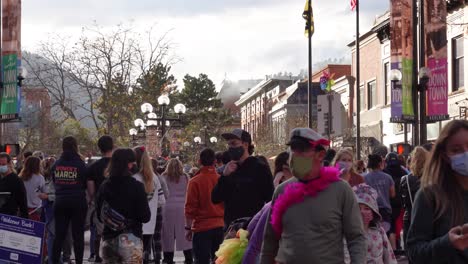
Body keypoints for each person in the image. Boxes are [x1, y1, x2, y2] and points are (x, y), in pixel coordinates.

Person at [260, 128, 366, 263]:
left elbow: (356, 237)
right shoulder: (281, 191)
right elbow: (270, 240)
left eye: (302, 150)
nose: (295, 155)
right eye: (293, 149)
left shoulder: (341, 190)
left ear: (320, 155)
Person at [407, 120, 468, 263]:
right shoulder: (430, 196)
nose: (465, 153)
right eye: (456, 150)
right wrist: (447, 242)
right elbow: (414, 252)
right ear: (445, 156)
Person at [96, 148, 151, 263]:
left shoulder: (104, 186)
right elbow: (145, 217)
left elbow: (99, 214)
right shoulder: (137, 187)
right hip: (131, 239)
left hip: (108, 239)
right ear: (129, 165)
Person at [212, 128, 274, 227]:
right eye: (229, 145)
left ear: (245, 144)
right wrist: (225, 176)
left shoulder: (260, 167)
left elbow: (270, 199)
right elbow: (215, 198)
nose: (230, 148)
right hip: (231, 228)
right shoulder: (229, 168)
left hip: (252, 227)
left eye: (234, 144)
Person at [51, 136, 90, 264]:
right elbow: (85, 183)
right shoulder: (80, 164)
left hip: (60, 201)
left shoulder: (56, 164)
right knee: (78, 235)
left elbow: (54, 181)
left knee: (59, 235)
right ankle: (79, 261)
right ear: (75, 146)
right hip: (78, 201)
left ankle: (55, 261)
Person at [185, 148, 225, 264]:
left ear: (199, 161)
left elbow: (190, 207)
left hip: (201, 227)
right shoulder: (221, 179)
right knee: (219, 260)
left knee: (201, 260)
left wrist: (188, 228)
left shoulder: (194, 181)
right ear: (214, 162)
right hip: (220, 225)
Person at [345, 184, 397, 264]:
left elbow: (389, 256)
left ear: (373, 212)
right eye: (358, 208)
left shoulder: (379, 231)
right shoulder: (347, 233)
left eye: (367, 208)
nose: (362, 212)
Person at [133, 146, 165, 264]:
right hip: (149, 223)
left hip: (134, 224)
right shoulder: (154, 177)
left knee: (135, 256)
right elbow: (162, 200)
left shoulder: (133, 178)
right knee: (145, 252)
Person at [86, 135, 114, 263]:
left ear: (99, 148)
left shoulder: (93, 167)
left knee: (99, 232)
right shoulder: (117, 165)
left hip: (99, 204)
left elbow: (91, 190)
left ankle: (98, 256)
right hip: (116, 204)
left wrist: (92, 200)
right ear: (112, 146)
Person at [161, 158, 193, 264]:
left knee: (167, 235)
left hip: (167, 207)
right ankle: (188, 258)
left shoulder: (164, 177)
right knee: (183, 233)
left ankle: (168, 259)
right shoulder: (186, 177)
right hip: (182, 207)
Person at [399, 146, 427, 259]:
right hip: (426, 218)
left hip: (409, 217)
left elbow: (403, 202)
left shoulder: (405, 180)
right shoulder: (431, 179)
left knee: (411, 252)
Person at [364, 154, 396, 232]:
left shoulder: (365, 178)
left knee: (373, 232)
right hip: (385, 210)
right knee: (387, 233)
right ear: (380, 163)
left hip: (371, 209)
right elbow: (392, 194)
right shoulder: (388, 177)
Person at [383, 152, 407, 250]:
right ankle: (400, 245)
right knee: (400, 224)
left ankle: (393, 249)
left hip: (388, 201)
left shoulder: (385, 172)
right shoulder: (403, 171)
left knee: (391, 225)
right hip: (401, 202)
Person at [151, 158, 170, 264]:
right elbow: (166, 194)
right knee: (157, 235)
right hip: (158, 209)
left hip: (147, 209)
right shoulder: (159, 178)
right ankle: (157, 257)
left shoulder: (143, 177)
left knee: (146, 235)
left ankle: (147, 256)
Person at [0, 152, 28, 218]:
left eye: (3, 164)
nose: (1, 166)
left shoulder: (16, 180)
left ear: (9, 164)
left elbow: (23, 202)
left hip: (10, 218)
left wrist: (24, 219)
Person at [19, 156, 46, 221]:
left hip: (22, 209)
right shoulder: (40, 178)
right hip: (36, 209)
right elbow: (44, 192)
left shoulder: (20, 178)